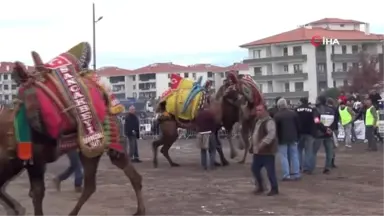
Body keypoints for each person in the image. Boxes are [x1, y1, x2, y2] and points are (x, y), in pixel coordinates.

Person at [250, 104, 278, 196]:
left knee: (270, 171)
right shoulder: (258, 121)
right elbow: (255, 133)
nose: (258, 112)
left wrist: (263, 144)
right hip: (257, 152)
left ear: (265, 111)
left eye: (260, 110)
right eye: (257, 110)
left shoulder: (269, 122)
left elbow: (271, 135)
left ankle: (274, 188)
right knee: (255, 169)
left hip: (267, 152)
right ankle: (260, 187)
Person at [274, 98, 300, 180]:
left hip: (282, 139)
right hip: (293, 137)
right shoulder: (294, 114)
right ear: (286, 105)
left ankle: (286, 175)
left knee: (283, 156)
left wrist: (276, 139)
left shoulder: (277, 116)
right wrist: (297, 136)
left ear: (278, 106)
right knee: (295, 156)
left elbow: (276, 129)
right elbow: (298, 126)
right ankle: (296, 174)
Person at [312, 95, 335, 174]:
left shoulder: (316, 110)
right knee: (329, 151)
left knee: (313, 151)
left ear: (319, 101)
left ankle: (311, 167)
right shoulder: (331, 110)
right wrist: (329, 129)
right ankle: (327, 167)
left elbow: (316, 121)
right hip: (328, 133)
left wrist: (324, 129)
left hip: (319, 133)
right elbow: (334, 121)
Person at [195, 102, 220, 170]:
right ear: (208, 107)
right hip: (209, 133)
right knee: (212, 150)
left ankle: (204, 166)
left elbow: (196, 124)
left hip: (200, 134)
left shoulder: (199, 115)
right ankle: (212, 166)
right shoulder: (211, 114)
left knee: (203, 150)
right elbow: (215, 123)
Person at [295, 97, 316, 174]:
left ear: (301, 101)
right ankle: (307, 168)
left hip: (299, 133)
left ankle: (298, 166)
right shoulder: (312, 110)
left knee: (298, 150)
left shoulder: (297, 109)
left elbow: (295, 121)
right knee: (309, 151)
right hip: (309, 133)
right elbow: (316, 120)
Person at [326, 98, 339, 168]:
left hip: (327, 128)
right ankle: (332, 162)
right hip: (335, 128)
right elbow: (337, 118)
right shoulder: (335, 109)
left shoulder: (325, 109)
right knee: (333, 146)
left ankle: (329, 162)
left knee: (328, 146)